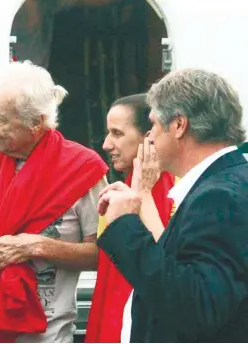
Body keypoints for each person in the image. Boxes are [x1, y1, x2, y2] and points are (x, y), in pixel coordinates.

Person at [0, 60, 108, 343]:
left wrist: (38, 246)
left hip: (46, 332)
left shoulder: (83, 169)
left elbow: (104, 255)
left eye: (0, 118)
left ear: (36, 123)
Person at [97, 68, 248, 342]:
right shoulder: (229, 182)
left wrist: (124, 226)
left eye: (153, 125)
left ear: (179, 125)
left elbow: (198, 307)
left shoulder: (217, 197)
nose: (150, 137)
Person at [85, 94, 175, 343]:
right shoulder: (121, 191)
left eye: (117, 133)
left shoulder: (175, 193)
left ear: (149, 137)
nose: (106, 144)